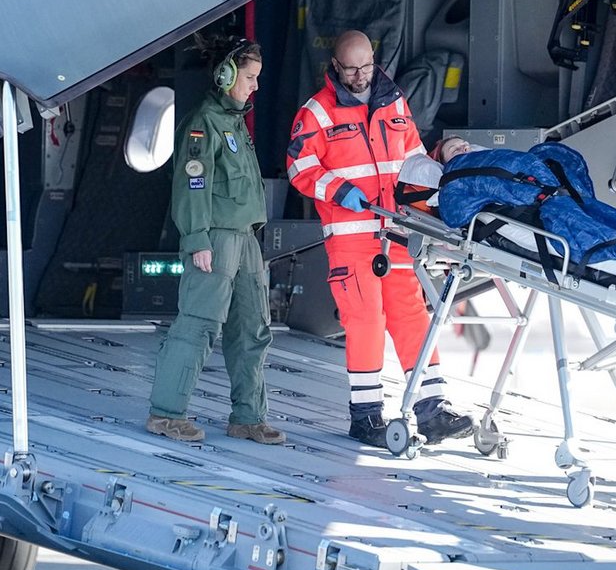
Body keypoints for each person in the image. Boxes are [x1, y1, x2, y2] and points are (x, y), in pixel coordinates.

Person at [287, 29, 474, 448]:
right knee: (366, 321)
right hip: (352, 239)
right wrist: (338, 191)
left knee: (411, 315)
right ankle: (366, 415)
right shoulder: (316, 112)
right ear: (335, 66)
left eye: (365, 66)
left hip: (397, 231)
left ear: (375, 60)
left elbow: (413, 160)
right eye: (350, 69)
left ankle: (432, 409)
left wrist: (442, 167)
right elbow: (300, 168)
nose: (358, 76)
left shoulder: (394, 102)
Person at [146, 40, 285, 446]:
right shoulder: (203, 122)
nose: (255, 87)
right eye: (249, 78)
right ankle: (167, 413)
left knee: (252, 330)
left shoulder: (234, 123)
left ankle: (248, 416)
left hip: (245, 240)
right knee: (199, 324)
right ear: (226, 76)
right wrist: (197, 238)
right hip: (217, 239)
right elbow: (193, 183)